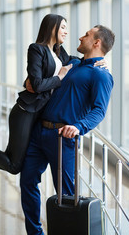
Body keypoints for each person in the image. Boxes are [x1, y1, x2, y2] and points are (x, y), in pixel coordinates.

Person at [0, 14, 106, 174]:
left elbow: (79, 62)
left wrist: (100, 61)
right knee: (13, 166)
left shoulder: (60, 53)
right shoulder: (37, 49)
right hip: (25, 111)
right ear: (51, 27)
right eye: (62, 27)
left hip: (37, 114)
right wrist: (59, 78)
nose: (66, 32)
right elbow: (36, 84)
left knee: (11, 161)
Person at [20, 25, 115, 235]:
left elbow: (99, 111)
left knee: (67, 195)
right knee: (27, 182)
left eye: (87, 35)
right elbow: (44, 71)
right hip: (39, 132)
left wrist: (79, 127)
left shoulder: (101, 76)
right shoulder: (71, 63)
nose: (81, 36)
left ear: (97, 43)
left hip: (63, 138)